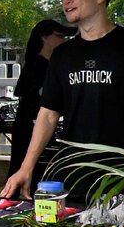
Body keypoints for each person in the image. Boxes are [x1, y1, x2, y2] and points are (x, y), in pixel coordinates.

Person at [0, 0, 124, 205]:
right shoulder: (62, 55)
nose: (66, 0)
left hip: (120, 178)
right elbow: (48, 114)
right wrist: (25, 167)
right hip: (70, 173)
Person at [7, 20, 75, 178]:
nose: (64, 40)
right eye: (59, 36)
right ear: (44, 38)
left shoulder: (50, 65)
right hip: (31, 129)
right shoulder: (36, 66)